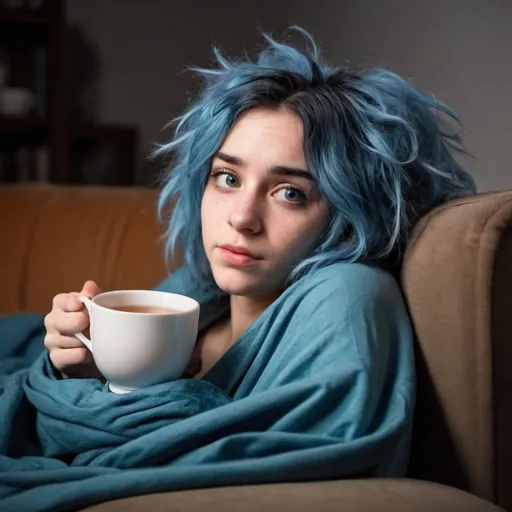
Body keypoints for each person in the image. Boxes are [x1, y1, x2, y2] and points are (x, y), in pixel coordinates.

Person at [18, 27, 476, 505]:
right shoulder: (193, 294)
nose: (241, 217)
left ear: (346, 216)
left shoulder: (349, 292)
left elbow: (315, 452)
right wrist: (87, 371)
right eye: (228, 177)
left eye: (290, 192)